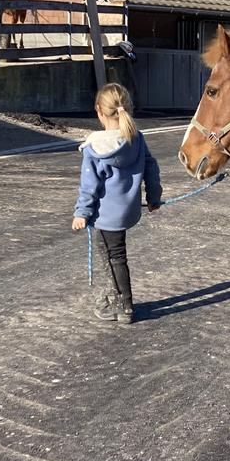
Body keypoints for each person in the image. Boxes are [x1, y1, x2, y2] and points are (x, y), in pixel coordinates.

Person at [72, 84, 162, 324]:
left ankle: (123, 305)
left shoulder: (94, 147)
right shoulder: (136, 138)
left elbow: (89, 186)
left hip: (105, 215)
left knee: (112, 257)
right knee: (117, 256)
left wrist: (82, 213)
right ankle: (117, 299)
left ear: (100, 113)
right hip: (128, 210)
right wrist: (153, 197)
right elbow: (151, 167)